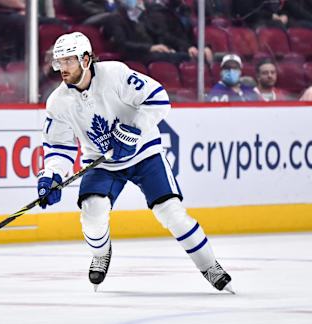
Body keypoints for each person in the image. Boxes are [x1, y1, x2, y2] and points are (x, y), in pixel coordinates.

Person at [37, 31, 234, 293]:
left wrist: (134, 130)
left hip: (144, 154)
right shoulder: (57, 102)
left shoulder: (115, 74)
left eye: (68, 61)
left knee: (171, 212)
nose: (62, 67)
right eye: (59, 62)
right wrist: (52, 176)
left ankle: (210, 265)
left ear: (86, 59)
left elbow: (158, 98)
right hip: (102, 161)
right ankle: (101, 253)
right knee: (92, 214)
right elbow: (59, 147)